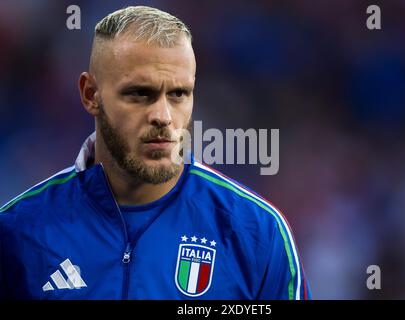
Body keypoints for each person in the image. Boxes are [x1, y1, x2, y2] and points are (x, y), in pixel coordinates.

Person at [0, 6, 310, 300]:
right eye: (139, 94)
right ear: (91, 95)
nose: (162, 115)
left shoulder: (256, 232)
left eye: (178, 94)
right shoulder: (17, 233)